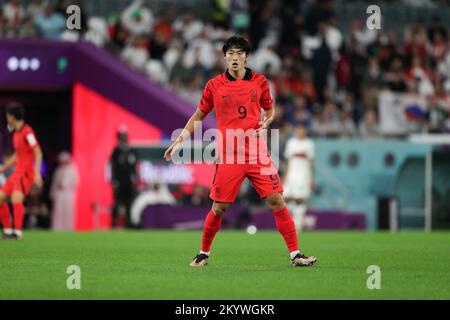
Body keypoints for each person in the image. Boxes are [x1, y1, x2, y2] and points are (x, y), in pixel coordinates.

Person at [164, 35, 317, 267]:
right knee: (219, 207)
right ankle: (203, 253)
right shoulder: (214, 85)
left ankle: (295, 255)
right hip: (229, 154)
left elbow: (270, 109)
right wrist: (179, 140)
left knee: (277, 199)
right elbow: (198, 116)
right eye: (230, 53)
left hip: (257, 153)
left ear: (246, 56)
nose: (235, 58)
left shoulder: (260, 82)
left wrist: (266, 121)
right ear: (224, 57)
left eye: (239, 53)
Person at [0, 103, 43, 240]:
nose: (7, 117)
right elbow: (18, 155)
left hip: (26, 173)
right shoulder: (16, 133)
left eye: (8, 115)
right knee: (0, 197)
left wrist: (37, 173)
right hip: (16, 172)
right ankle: (7, 231)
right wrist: (4, 167)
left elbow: (38, 153)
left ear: (12, 116)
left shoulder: (27, 132)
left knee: (15, 198)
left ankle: (17, 233)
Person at [283, 125, 315, 233]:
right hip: (291, 174)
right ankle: (288, 223)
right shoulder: (291, 142)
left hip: (303, 174)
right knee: (285, 197)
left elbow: (311, 162)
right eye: (298, 130)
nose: (299, 132)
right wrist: (284, 176)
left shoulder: (309, 143)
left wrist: (311, 177)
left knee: (299, 199)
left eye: (301, 130)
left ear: (305, 131)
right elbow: (288, 161)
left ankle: (297, 225)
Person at [109, 126, 137, 228]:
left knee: (129, 203)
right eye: (121, 135)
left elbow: (134, 167)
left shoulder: (131, 150)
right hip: (119, 181)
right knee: (117, 203)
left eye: (124, 135)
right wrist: (113, 180)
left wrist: (135, 178)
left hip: (129, 182)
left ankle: (129, 224)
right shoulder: (116, 151)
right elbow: (112, 166)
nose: (123, 137)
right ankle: (113, 224)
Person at [50, 151, 78, 231]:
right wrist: (53, 194)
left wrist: (65, 185)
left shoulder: (72, 170)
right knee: (58, 213)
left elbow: (75, 182)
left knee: (68, 212)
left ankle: (68, 228)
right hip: (59, 195)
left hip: (68, 195)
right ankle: (57, 229)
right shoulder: (58, 170)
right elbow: (54, 184)